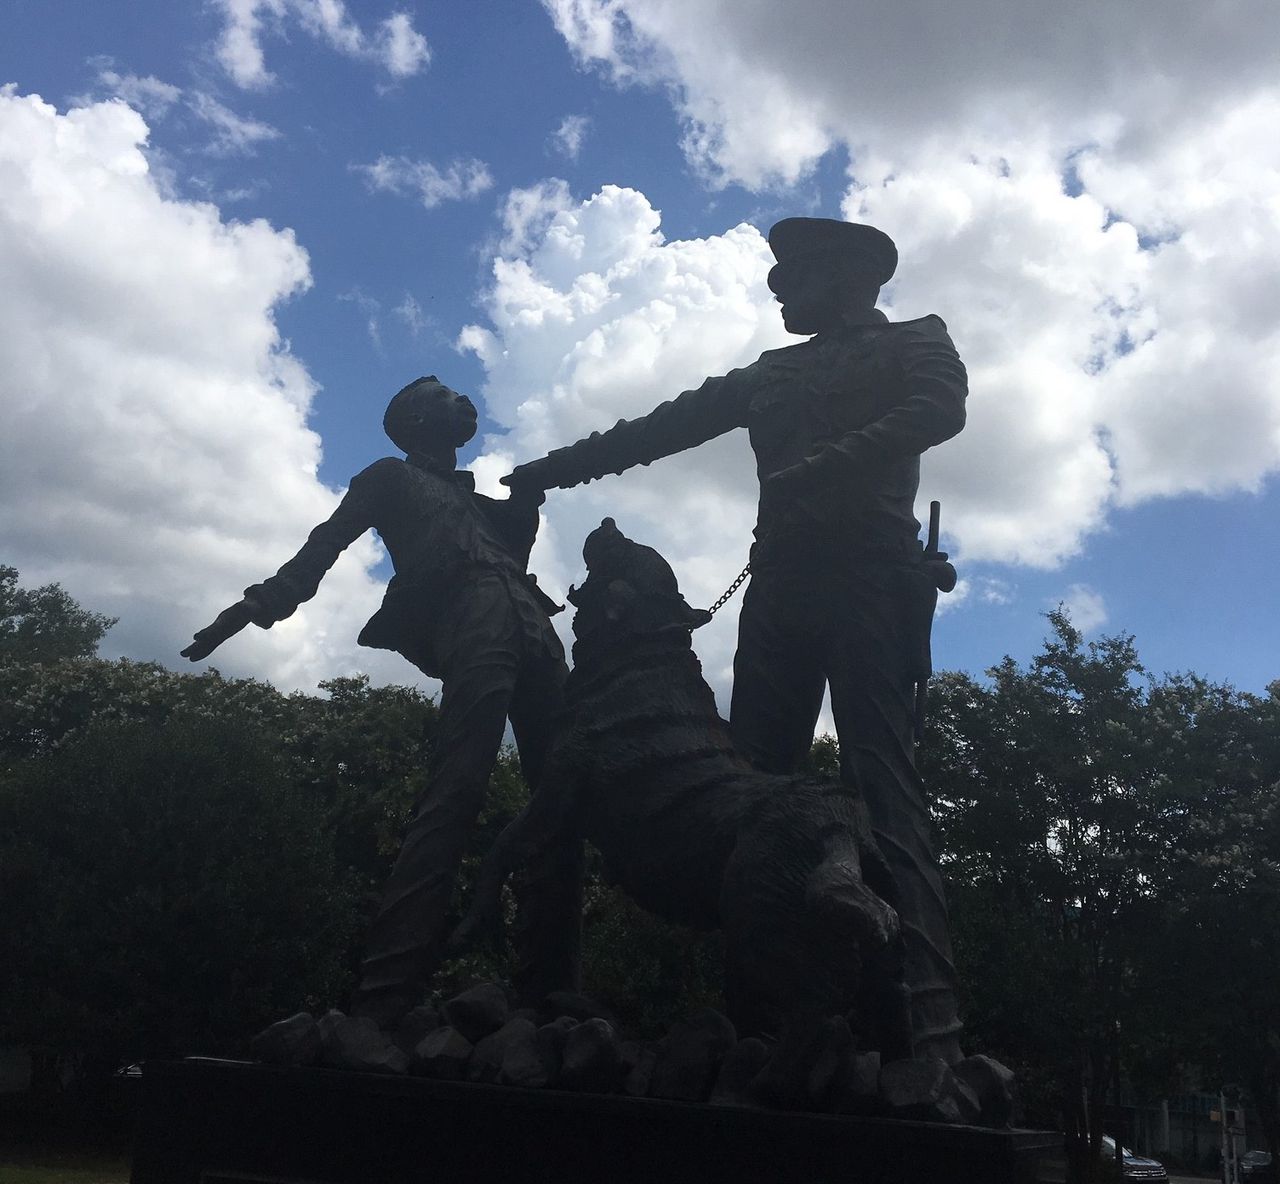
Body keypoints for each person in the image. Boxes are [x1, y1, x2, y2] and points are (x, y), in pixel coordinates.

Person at [504, 218, 967, 1062]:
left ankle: (928, 1029)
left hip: (869, 580)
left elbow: (938, 410)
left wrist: (829, 462)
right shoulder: (771, 373)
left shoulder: (916, 342)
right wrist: (547, 471)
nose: (775, 286)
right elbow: (656, 430)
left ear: (846, 274)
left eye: (791, 272)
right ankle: (767, 1023)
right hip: (780, 590)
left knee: (884, 783)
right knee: (755, 797)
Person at [183, 377, 581, 1026]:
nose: (464, 400)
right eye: (447, 394)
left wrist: (523, 509)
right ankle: (385, 996)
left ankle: (551, 985)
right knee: (458, 787)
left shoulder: (480, 498)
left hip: (533, 624)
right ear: (418, 418)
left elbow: (510, 554)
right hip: (473, 615)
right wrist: (265, 601)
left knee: (563, 796)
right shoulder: (388, 477)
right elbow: (327, 541)